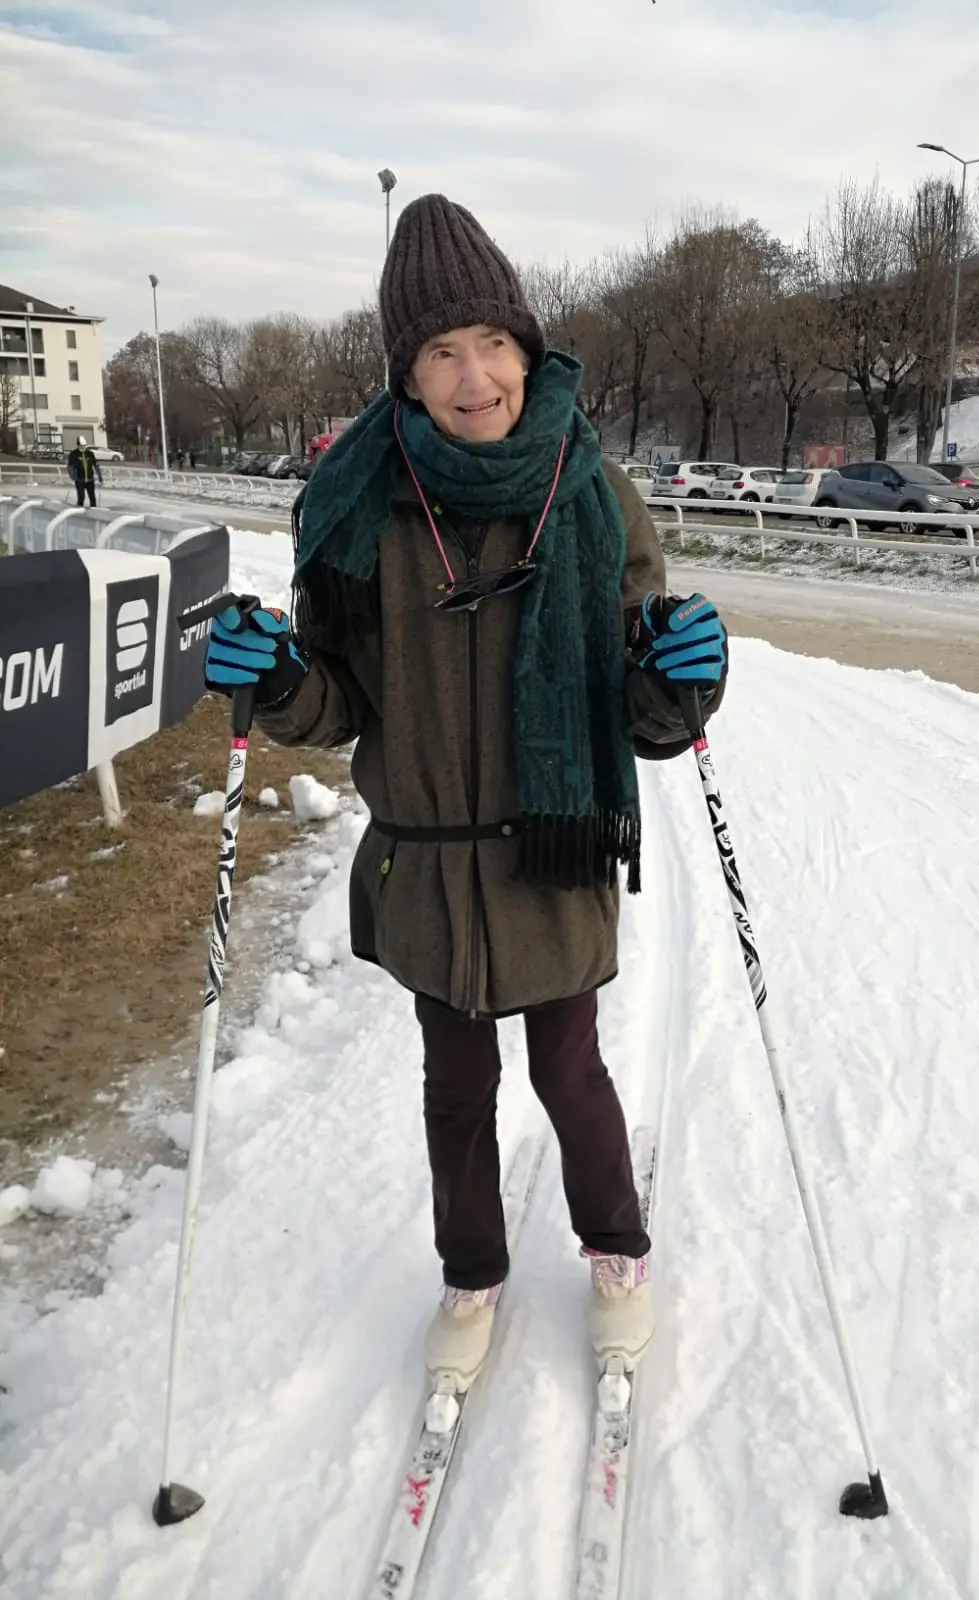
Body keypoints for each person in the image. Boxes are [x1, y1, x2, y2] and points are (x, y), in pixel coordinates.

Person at [202, 194, 728, 1395]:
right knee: (456, 1084)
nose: (473, 374)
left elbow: (650, 704)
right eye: (440, 350)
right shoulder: (356, 507)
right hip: (429, 866)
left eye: (491, 341)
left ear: (526, 348)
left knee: (570, 1073)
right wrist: (281, 677)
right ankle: (472, 1274)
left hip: (558, 850)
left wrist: (680, 679)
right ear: (407, 373)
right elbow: (334, 700)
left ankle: (618, 1252)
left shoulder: (598, 494)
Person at [67, 438, 101, 507]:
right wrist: (73, 476)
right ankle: (79, 510)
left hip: (90, 479)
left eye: (84, 445)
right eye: (81, 446)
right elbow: (70, 467)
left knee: (92, 497)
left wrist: (99, 475)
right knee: (81, 497)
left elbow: (96, 465)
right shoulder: (73, 454)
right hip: (79, 479)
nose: (83, 447)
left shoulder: (90, 454)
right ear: (78, 445)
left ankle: (94, 511)